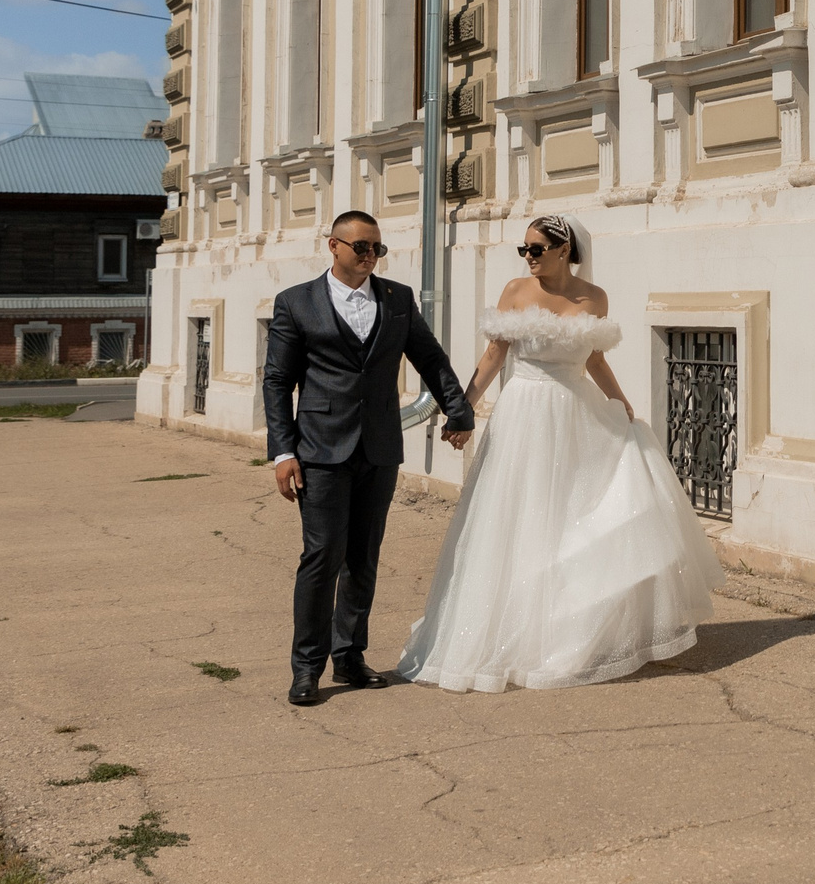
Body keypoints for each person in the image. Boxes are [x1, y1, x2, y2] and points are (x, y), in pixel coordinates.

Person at [398, 214, 724, 692]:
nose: (528, 258)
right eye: (523, 249)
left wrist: (620, 401)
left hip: (575, 413)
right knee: (518, 518)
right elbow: (495, 356)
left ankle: (571, 628)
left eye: (536, 249)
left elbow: (594, 358)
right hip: (523, 415)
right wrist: (463, 410)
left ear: (563, 249)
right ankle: (508, 635)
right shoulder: (514, 290)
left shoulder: (594, 297)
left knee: (574, 516)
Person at [262, 210, 474, 707]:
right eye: (361, 247)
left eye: (377, 248)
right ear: (333, 245)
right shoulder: (296, 302)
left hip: (378, 447)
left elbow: (429, 356)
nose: (370, 256)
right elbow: (277, 381)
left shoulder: (397, 298)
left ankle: (350, 657)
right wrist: (283, 451)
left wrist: (457, 411)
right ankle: (307, 668)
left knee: (363, 558)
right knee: (322, 556)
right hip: (319, 448)